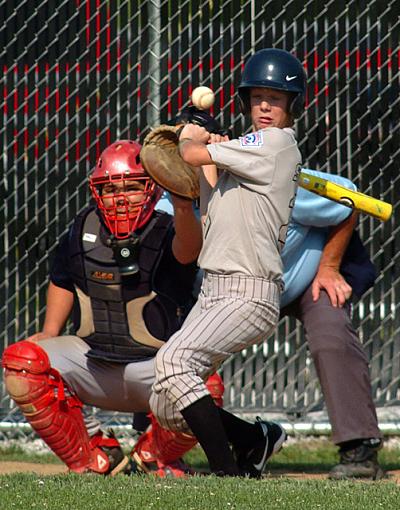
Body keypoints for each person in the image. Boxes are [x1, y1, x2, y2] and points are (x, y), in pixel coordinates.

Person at [1, 139, 207, 476]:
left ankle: (154, 455)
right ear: (96, 192)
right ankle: (93, 456)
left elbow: (189, 252)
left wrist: (184, 205)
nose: (121, 198)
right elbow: (62, 278)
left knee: (208, 385)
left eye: (132, 188)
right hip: (95, 362)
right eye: (110, 189)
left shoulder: (168, 227)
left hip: (157, 370)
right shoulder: (83, 227)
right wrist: (50, 332)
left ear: (152, 191)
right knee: (22, 362)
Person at [148, 48, 305, 477]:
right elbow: (207, 176)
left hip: (248, 289)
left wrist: (190, 134)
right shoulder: (246, 153)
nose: (266, 106)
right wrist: (209, 139)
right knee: (166, 404)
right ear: (246, 102)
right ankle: (254, 440)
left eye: (276, 97)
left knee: (173, 364)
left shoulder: (275, 144)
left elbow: (193, 155)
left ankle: (227, 476)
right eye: (257, 98)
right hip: (213, 290)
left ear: (293, 103)